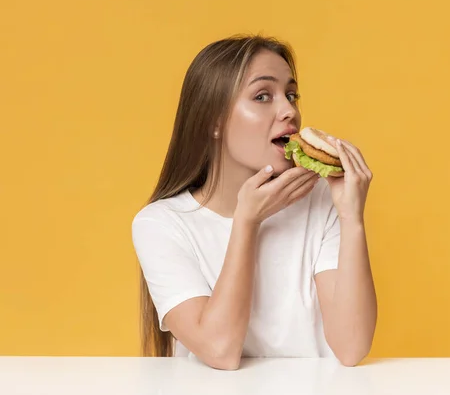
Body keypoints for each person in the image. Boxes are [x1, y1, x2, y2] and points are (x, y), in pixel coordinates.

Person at [131, 34, 377, 370]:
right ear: (213, 122)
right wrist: (247, 222)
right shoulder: (160, 225)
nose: (289, 110)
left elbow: (351, 348)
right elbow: (220, 351)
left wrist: (353, 218)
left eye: (291, 95)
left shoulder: (320, 203)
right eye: (263, 96)